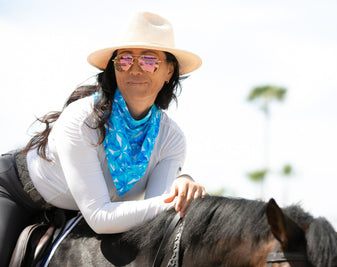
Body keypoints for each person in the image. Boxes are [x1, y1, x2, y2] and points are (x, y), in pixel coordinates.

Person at [0, 11, 206, 265]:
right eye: (125, 60)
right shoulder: (83, 118)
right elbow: (100, 216)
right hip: (15, 192)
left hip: (72, 211)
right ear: (114, 67)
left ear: (168, 71)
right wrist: (178, 200)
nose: (135, 69)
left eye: (149, 60)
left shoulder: (172, 139)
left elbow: (155, 219)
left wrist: (182, 185)